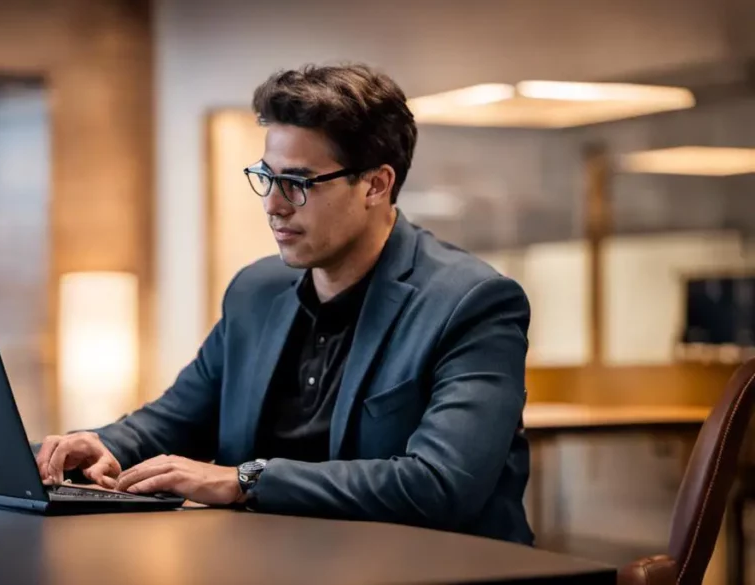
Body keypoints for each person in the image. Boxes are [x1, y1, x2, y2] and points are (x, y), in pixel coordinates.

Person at [36, 63, 533, 544]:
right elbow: (175, 420)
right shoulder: (256, 291)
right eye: (266, 177)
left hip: (441, 572)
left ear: (376, 185)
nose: (273, 204)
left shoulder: (472, 303)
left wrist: (245, 480)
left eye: (297, 184)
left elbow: (440, 485)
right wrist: (102, 444)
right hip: (272, 564)